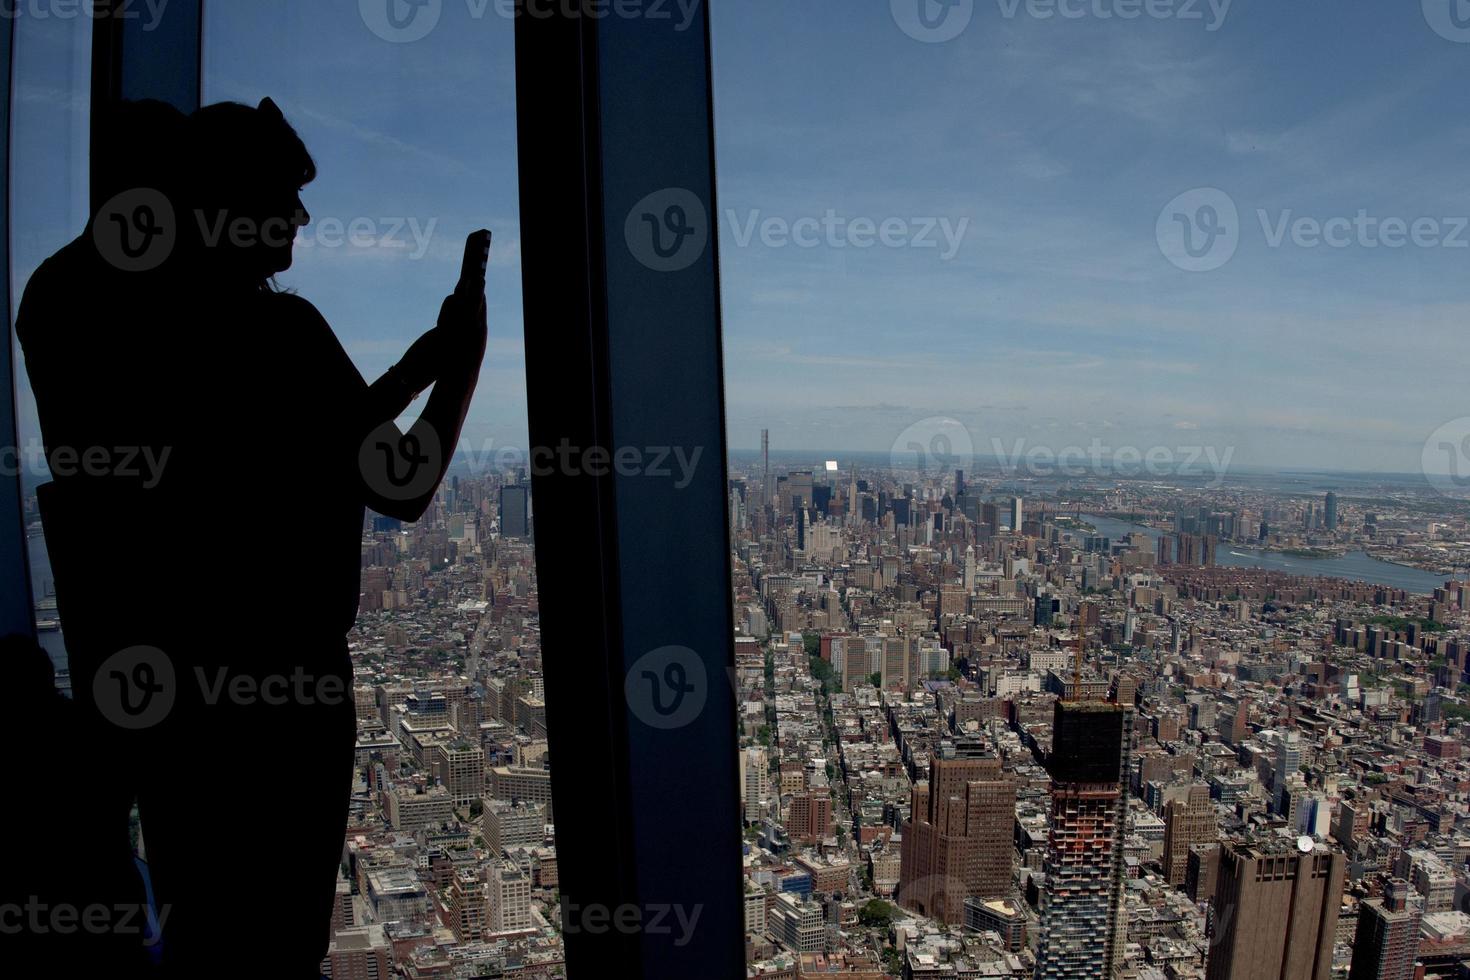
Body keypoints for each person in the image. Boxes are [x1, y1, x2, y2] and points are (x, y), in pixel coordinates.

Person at [15, 97, 487, 976]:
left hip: (162, 688)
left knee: (211, 929)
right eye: (283, 197)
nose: (301, 219)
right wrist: (461, 366)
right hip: (285, 701)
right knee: (277, 941)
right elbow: (404, 482)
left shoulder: (84, 322)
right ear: (225, 203)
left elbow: (280, 440)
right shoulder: (281, 335)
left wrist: (424, 357)